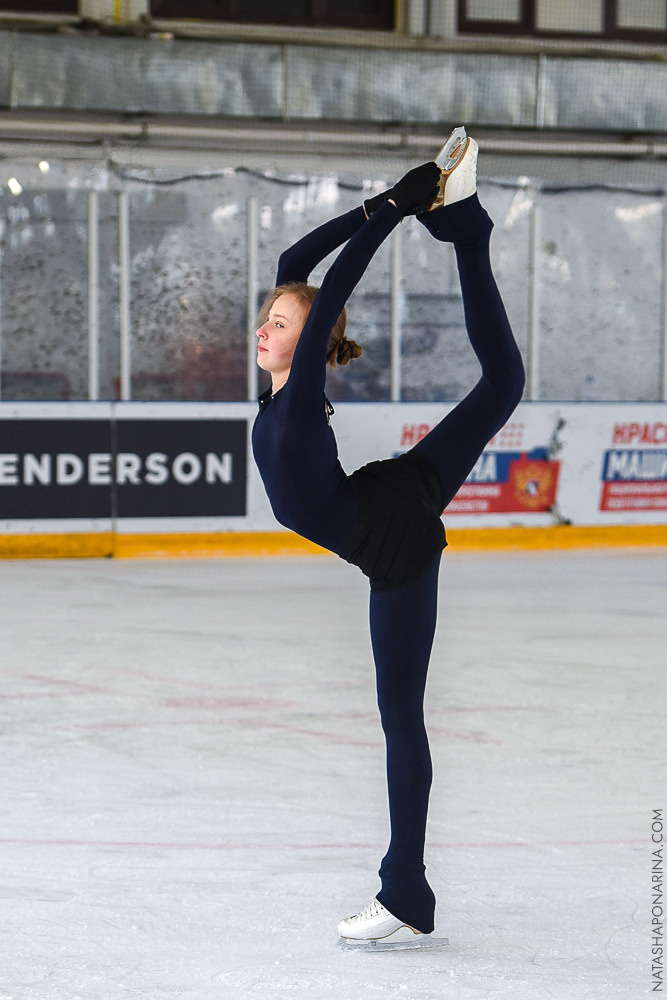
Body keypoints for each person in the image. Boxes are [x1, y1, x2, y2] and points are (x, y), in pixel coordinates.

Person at [251, 128, 525, 949]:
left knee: (398, 716)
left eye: (277, 322)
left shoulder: (297, 400)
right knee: (504, 382)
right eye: (264, 319)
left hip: (394, 541)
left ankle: (404, 888)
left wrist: (405, 209)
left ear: (307, 343)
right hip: (386, 499)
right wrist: (384, 202)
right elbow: (302, 257)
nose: (263, 329)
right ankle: (469, 230)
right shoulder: (274, 389)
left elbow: (329, 289)